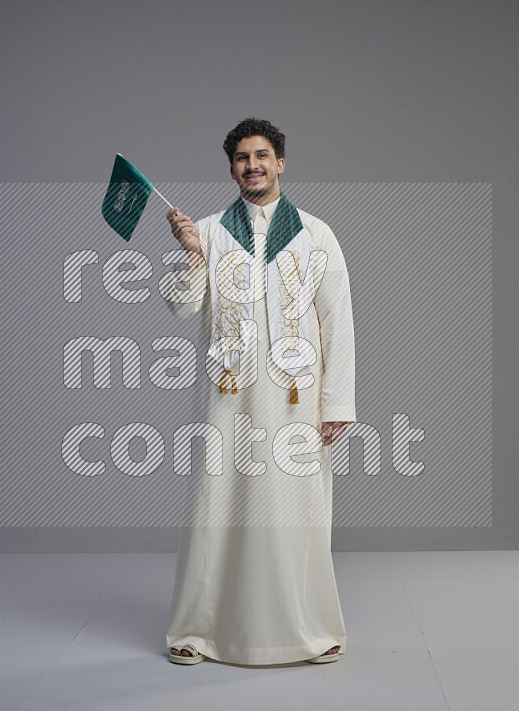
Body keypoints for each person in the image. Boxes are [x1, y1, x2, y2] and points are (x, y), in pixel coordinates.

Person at [164, 117, 356, 665]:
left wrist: (337, 401)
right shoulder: (208, 230)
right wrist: (191, 251)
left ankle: (310, 628)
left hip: (297, 398)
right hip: (229, 398)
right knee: (215, 507)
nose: (253, 165)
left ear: (281, 163)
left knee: (298, 511)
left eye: (263, 155)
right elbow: (182, 306)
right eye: (243, 158)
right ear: (232, 169)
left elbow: (337, 321)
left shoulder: (316, 234)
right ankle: (198, 631)